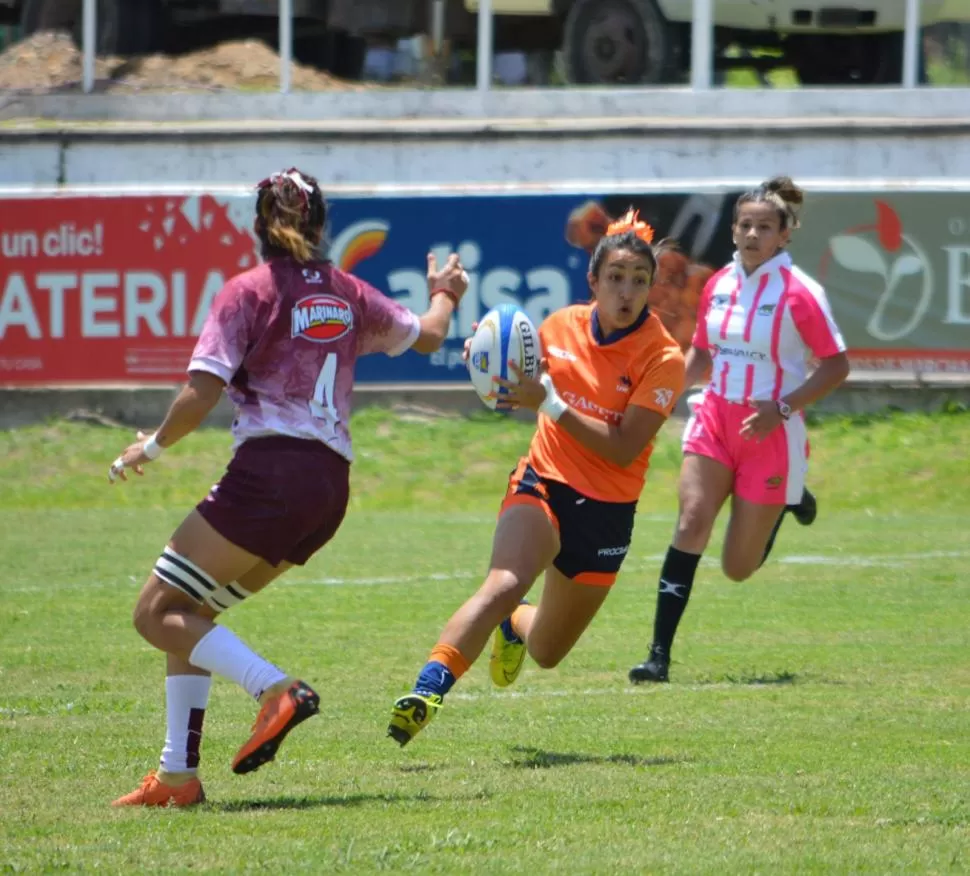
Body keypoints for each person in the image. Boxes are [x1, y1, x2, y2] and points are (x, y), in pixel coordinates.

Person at [108, 168, 469, 806]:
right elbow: (432, 333)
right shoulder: (350, 292)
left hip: (270, 476)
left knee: (153, 613)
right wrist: (444, 291)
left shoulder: (247, 292)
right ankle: (177, 776)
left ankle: (276, 690)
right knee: (191, 617)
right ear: (321, 224)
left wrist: (154, 445)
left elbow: (202, 390)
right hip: (328, 489)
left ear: (259, 227)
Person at [387, 210, 686, 747]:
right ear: (592, 282)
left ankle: (514, 625)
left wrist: (548, 401)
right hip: (543, 480)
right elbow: (512, 385)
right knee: (504, 582)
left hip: (606, 512)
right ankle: (426, 691)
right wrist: (485, 358)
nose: (626, 291)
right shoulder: (559, 327)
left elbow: (622, 450)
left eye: (639, 281)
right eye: (615, 278)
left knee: (547, 651)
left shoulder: (663, 356)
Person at [628, 176, 850, 684]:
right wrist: (657, 401)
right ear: (732, 230)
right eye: (745, 225)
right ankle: (658, 656)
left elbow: (836, 366)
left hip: (772, 429)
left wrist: (782, 408)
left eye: (764, 227)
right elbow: (701, 354)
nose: (753, 234)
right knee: (690, 522)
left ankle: (787, 499)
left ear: (784, 235)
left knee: (736, 567)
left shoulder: (801, 294)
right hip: (715, 418)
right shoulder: (718, 284)